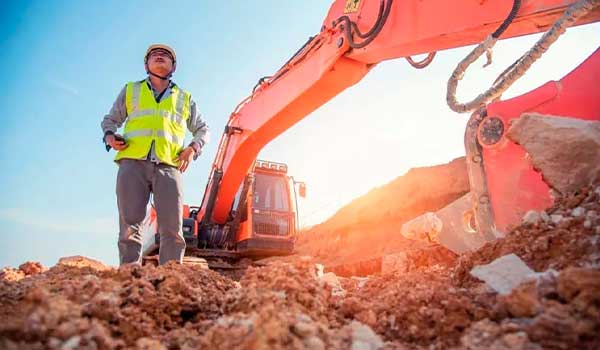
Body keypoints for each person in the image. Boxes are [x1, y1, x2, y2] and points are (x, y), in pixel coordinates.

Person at [101, 44, 208, 265]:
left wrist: (192, 149)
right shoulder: (132, 90)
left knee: (172, 229)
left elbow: (203, 129)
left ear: (174, 66)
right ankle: (129, 278)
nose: (160, 56)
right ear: (146, 64)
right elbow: (109, 121)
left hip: (169, 165)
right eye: (154, 55)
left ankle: (171, 279)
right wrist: (110, 136)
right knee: (130, 225)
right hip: (132, 163)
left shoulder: (184, 98)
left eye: (166, 55)